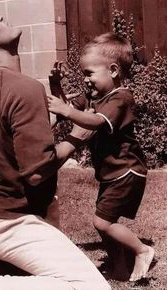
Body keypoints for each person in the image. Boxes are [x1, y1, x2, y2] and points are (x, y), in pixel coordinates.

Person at [0, 6, 111, 290]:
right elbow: (36, 172)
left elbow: (7, 137)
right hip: (6, 219)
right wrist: (76, 138)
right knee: (90, 287)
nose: (2, 17)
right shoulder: (23, 88)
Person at [48, 32, 155, 282]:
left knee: (102, 222)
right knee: (106, 223)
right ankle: (119, 268)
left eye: (89, 73)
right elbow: (68, 108)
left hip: (126, 171)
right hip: (111, 172)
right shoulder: (97, 96)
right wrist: (55, 85)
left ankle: (142, 250)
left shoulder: (121, 98)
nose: (86, 80)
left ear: (114, 70)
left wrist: (65, 110)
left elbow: (95, 121)